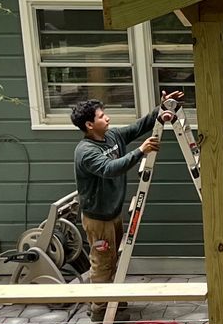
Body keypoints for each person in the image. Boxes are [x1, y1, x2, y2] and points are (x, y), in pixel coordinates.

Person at [70, 93, 179, 286]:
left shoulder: (111, 136)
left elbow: (138, 127)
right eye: (102, 116)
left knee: (113, 259)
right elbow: (110, 169)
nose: (107, 118)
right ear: (89, 125)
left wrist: (161, 108)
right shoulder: (86, 151)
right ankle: (99, 309)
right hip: (98, 219)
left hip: (113, 213)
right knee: (102, 263)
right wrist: (140, 151)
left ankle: (112, 300)